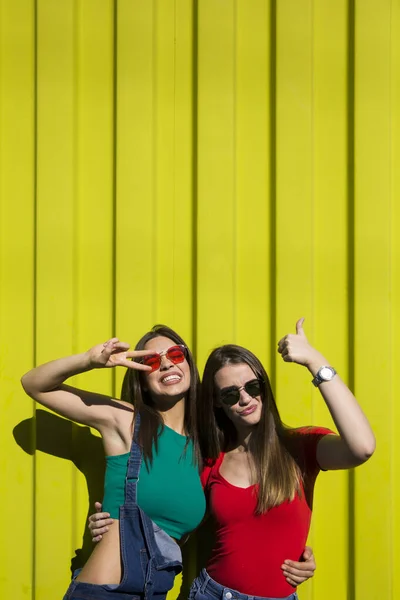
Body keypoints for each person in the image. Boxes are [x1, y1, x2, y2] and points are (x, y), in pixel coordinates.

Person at [189, 318, 375, 599]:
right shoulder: (210, 459)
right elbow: (173, 514)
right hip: (213, 593)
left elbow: (362, 447)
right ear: (216, 402)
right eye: (230, 394)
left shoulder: (300, 448)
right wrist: (119, 518)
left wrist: (315, 361)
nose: (245, 399)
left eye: (252, 387)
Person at [21, 325, 207, 600]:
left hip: (157, 591)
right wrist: (88, 361)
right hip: (109, 592)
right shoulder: (126, 421)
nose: (166, 364)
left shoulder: (202, 445)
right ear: (142, 379)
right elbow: (34, 384)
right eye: (152, 361)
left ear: (189, 363)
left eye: (175, 354)